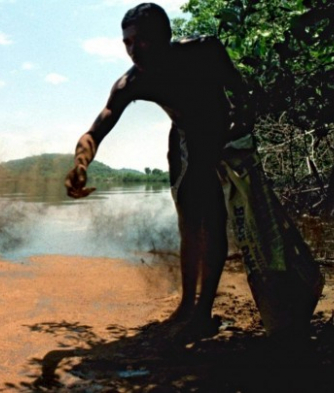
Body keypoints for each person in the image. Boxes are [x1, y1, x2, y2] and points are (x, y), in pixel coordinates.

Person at [65, 3, 254, 339]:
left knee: (213, 220)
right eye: (127, 43)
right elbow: (96, 130)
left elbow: (240, 92)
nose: (134, 50)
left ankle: (202, 312)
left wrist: (239, 124)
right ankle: (186, 305)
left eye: (142, 40)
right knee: (189, 222)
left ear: (164, 35)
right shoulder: (133, 83)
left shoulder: (206, 50)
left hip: (221, 138)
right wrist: (81, 164)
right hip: (183, 142)